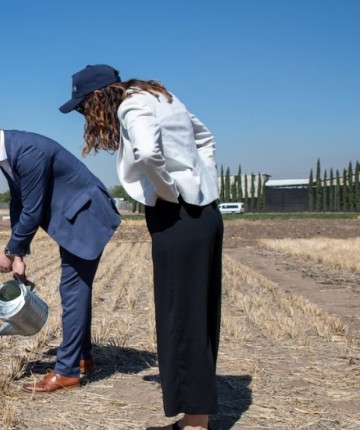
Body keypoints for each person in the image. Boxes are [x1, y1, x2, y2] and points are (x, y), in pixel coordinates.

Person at [60, 64, 222, 430]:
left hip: (178, 215)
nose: (85, 116)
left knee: (180, 317)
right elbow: (206, 138)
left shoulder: (131, 105)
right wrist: (202, 181)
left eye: (83, 107)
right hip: (203, 212)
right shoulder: (162, 96)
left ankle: (194, 426)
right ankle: (195, 420)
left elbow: (148, 153)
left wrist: (168, 191)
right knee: (197, 316)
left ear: (97, 96)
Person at [0, 114, 121, 393]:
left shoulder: (27, 152)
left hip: (86, 219)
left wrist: (9, 252)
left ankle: (66, 372)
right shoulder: (9, 156)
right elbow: (18, 204)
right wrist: (19, 257)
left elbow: (33, 210)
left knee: (72, 291)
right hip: (76, 219)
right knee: (76, 291)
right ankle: (82, 357)